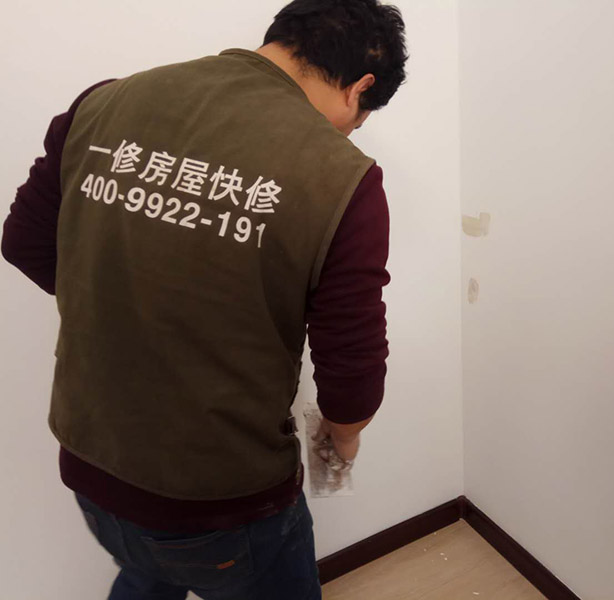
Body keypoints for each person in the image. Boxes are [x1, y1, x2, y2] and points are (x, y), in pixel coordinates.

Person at [1, 0, 407, 598]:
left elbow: (23, 242)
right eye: (360, 118)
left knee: (146, 571)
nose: (349, 131)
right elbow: (352, 377)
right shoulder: (341, 173)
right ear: (361, 87)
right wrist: (341, 443)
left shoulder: (107, 100)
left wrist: (128, 295)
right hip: (221, 502)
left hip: (89, 462)